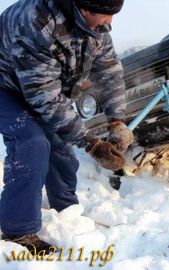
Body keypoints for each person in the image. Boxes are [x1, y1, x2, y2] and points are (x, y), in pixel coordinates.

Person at [0, 0, 134, 253]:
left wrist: (116, 121)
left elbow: (108, 70)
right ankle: (18, 231)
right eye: (106, 15)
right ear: (84, 9)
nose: (110, 22)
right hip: (5, 86)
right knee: (32, 142)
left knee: (60, 145)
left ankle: (67, 211)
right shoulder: (37, 22)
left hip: (41, 86)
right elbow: (44, 97)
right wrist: (91, 144)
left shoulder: (96, 28)